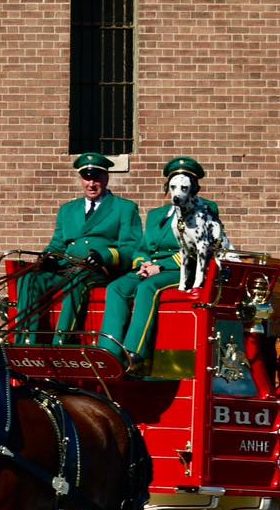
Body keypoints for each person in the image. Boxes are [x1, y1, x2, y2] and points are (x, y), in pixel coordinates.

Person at [97, 156, 224, 371]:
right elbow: (143, 247)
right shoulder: (156, 215)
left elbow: (201, 247)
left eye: (184, 187)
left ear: (193, 188)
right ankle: (107, 352)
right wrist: (143, 263)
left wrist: (161, 267)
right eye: (173, 186)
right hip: (150, 268)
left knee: (148, 289)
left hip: (180, 269)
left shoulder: (207, 208)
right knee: (116, 288)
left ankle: (134, 353)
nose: (178, 193)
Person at [14, 151, 143, 346]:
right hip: (66, 267)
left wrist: (105, 256)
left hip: (98, 272)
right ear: (81, 180)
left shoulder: (124, 208)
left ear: (106, 177)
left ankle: (61, 342)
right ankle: (25, 342)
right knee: (29, 279)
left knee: (77, 279)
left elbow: (132, 248)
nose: (91, 184)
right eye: (86, 178)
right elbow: (57, 244)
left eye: (96, 178)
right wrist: (48, 257)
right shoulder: (68, 210)